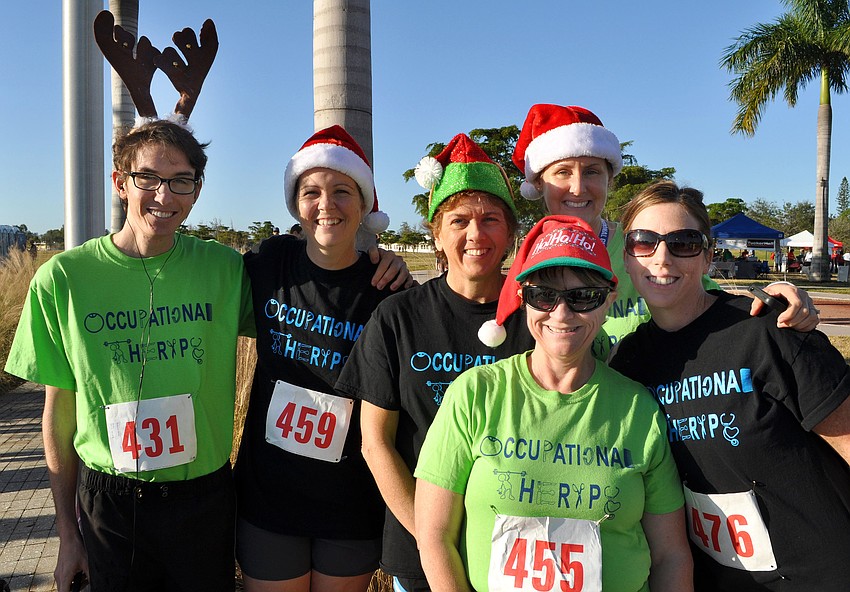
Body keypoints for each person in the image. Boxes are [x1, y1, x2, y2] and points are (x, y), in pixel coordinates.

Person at [5, 119, 255, 591]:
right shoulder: (63, 279)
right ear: (121, 183)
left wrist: (375, 265)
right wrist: (67, 534)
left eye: (181, 181)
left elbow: (303, 302)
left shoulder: (225, 268)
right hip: (111, 502)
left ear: (196, 191)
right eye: (148, 178)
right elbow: (59, 411)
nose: (164, 195)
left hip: (203, 499)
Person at [414, 215, 693, 592]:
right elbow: (434, 535)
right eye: (543, 295)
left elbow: (670, 555)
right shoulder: (475, 393)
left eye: (583, 297)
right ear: (523, 299)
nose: (561, 313)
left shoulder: (638, 409)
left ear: (608, 302)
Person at [609, 181, 850, 591]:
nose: (662, 258)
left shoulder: (767, 330)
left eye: (684, 243)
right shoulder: (629, 362)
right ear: (627, 259)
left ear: (707, 257)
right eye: (643, 242)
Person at [335, 133, 535, 592]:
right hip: (419, 551)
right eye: (459, 221)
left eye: (491, 220)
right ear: (437, 235)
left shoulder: (539, 318)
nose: (475, 235)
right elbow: (376, 443)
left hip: (516, 551)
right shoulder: (397, 317)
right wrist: (431, 539)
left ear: (510, 233)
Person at [234, 125, 409, 592]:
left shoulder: (388, 289)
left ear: (364, 204)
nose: (326, 204)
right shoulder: (270, 262)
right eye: (311, 192)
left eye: (342, 191)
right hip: (269, 498)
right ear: (296, 204)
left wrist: (394, 260)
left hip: (350, 500)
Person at [509, 104, 818, 358]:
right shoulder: (528, 259)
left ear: (609, 180)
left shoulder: (643, 245)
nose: (578, 187)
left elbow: (710, 299)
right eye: (562, 172)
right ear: (538, 183)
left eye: (591, 171)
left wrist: (777, 295)